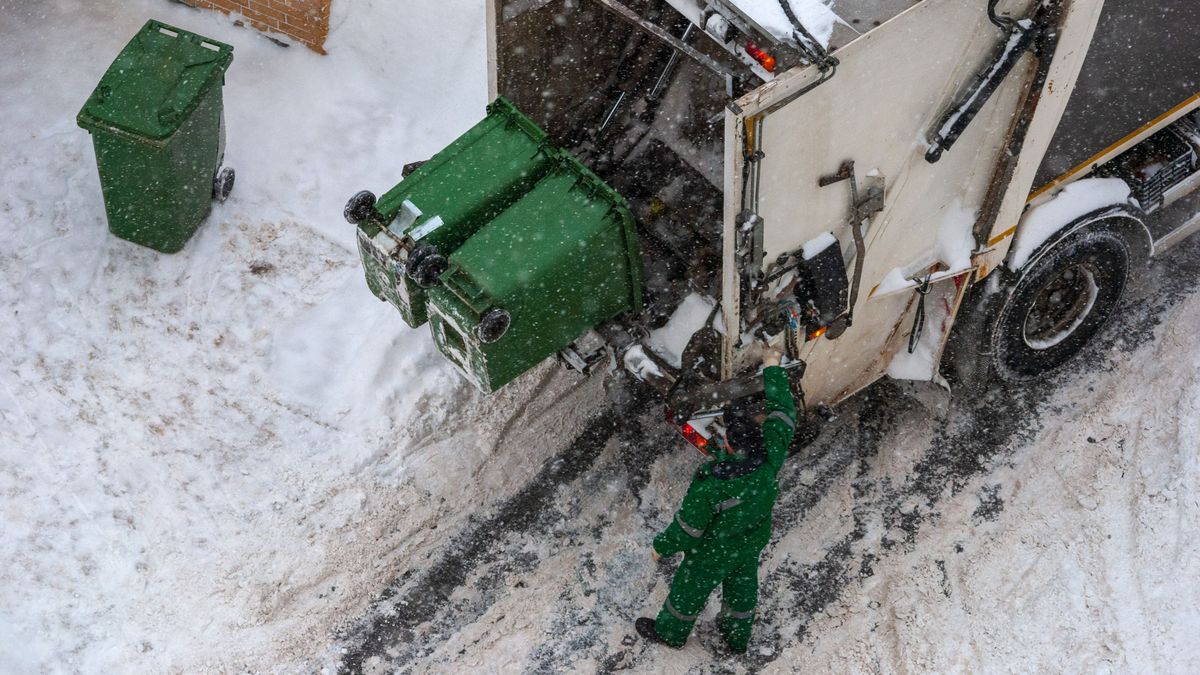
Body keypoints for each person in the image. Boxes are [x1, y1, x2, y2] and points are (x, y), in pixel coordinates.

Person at [636, 345, 797, 653]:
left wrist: (661, 548)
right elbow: (784, 411)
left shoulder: (713, 487)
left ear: (730, 444)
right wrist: (772, 367)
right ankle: (736, 638)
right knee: (742, 588)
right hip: (750, 541)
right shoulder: (771, 455)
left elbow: (688, 529)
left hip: (713, 550)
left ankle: (670, 633)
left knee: (689, 588)